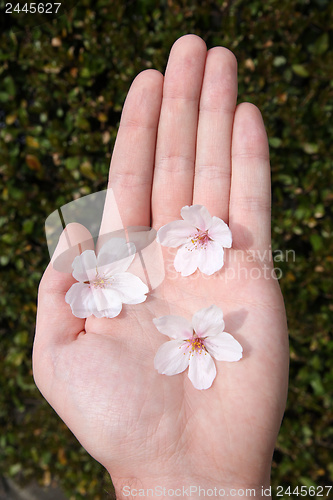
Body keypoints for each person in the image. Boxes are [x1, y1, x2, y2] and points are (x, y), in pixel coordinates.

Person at [33, 35, 289, 499]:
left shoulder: (197, 316)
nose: (193, 343)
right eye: (194, 341)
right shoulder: (185, 329)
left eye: (193, 341)